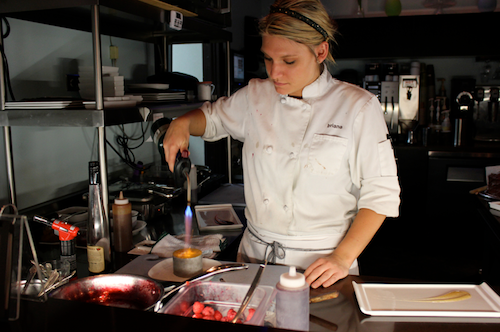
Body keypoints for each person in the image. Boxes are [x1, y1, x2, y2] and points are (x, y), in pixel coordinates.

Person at [162, 0, 400, 289]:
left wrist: (342, 257)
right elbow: (211, 119)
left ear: (320, 51)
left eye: (289, 61)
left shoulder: (358, 106)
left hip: (322, 267)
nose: (275, 73)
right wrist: (183, 123)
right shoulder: (255, 95)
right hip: (254, 257)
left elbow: (381, 194)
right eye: (268, 59)